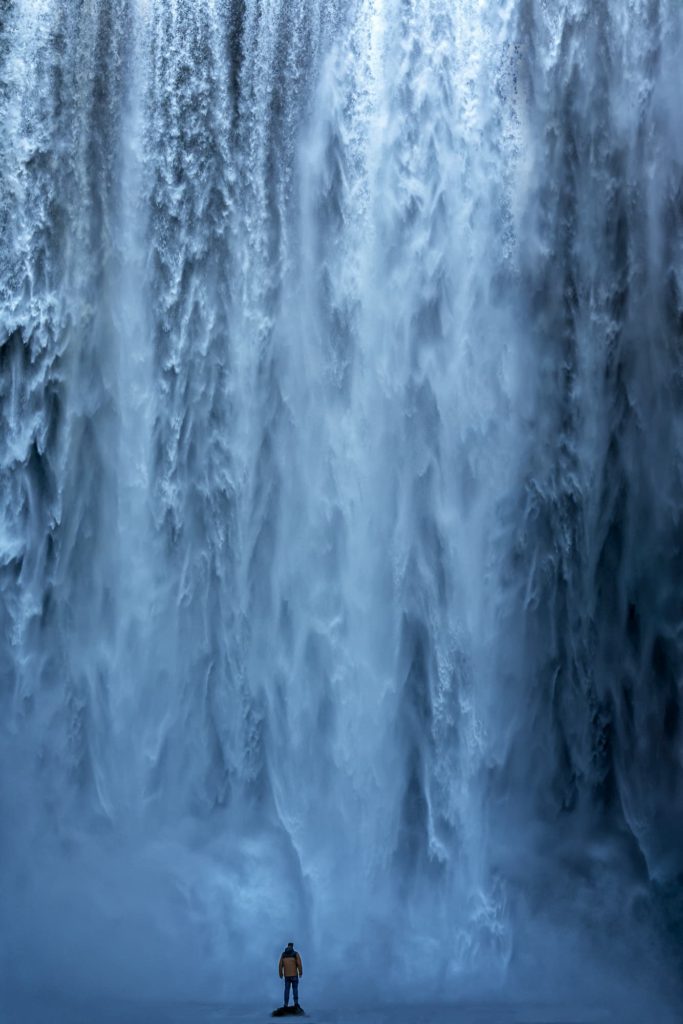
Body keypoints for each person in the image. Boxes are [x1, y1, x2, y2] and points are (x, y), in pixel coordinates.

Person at [278, 941, 303, 1008]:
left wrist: (280, 973)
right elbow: (299, 964)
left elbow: (280, 965)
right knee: (295, 989)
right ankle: (296, 1003)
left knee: (286, 990)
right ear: (292, 946)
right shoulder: (295, 954)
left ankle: (286, 1004)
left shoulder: (283, 954)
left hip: (286, 976)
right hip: (294, 975)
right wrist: (300, 972)